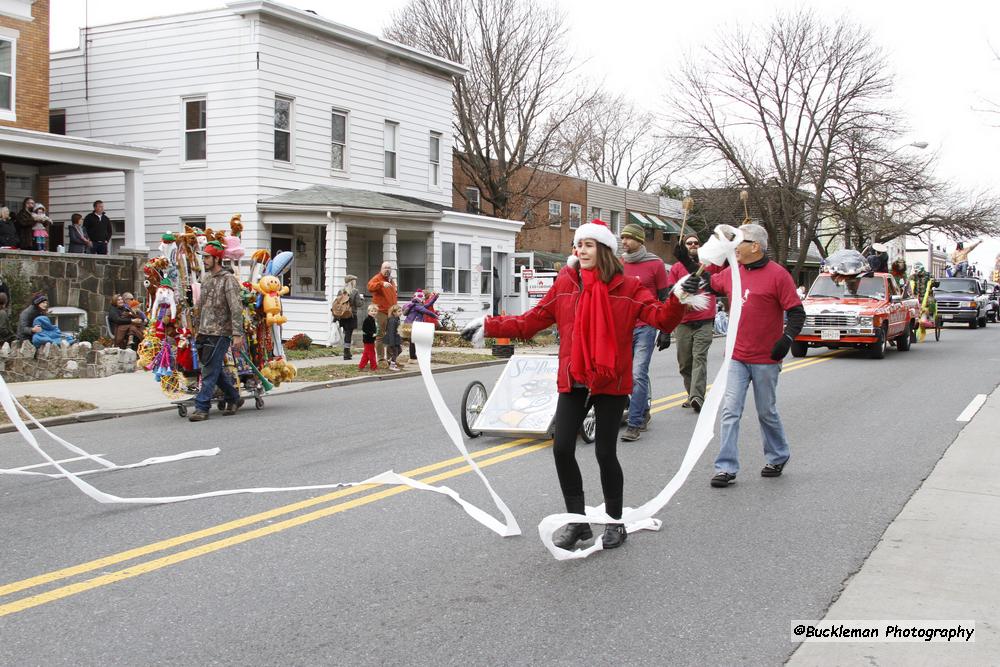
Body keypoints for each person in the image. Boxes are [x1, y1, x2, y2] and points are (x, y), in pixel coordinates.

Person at [461, 220, 688, 551]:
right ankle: (578, 523)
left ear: (604, 250)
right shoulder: (566, 285)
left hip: (611, 381)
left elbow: (663, 319)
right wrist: (488, 325)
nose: (579, 250)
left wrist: (680, 296)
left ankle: (614, 523)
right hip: (574, 377)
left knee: (605, 452)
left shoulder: (628, 287)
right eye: (577, 245)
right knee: (562, 447)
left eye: (588, 244)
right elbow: (530, 321)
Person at [682, 223, 805, 488]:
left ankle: (777, 456)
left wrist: (787, 339)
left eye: (739, 242)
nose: (734, 248)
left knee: (766, 412)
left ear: (756, 246)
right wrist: (690, 268)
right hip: (736, 356)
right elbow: (709, 283)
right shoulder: (733, 273)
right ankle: (726, 467)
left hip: (766, 358)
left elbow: (796, 312)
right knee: (730, 411)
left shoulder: (778, 275)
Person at [618, 222, 670, 441]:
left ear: (639, 240)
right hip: (621, 327)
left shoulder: (655, 264)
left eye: (628, 238)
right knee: (622, 375)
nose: (624, 242)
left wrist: (666, 329)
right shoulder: (619, 264)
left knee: (638, 373)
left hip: (645, 327)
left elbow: (664, 298)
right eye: (622, 238)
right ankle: (642, 408)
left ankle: (635, 423)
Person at [189, 240, 244, 422]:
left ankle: (201, 407)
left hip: (221, 332)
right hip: (204, 331)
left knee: (209, 371)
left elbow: (236, 308)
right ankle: (234, 397)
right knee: (213, 370)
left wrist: (237, 333)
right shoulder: (206, 280)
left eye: (207, 257)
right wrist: (195, 327)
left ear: (216, 259)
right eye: (203, 257)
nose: (204, 260)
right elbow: (201, 306)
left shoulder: (228, 280)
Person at [666, 233, 719, 415]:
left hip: (704, 320)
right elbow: (671, 292)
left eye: (696, 242)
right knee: (685, 363)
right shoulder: (676, 268)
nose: (693, 245)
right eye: (689, 243)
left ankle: (697, 397)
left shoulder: (709, 265)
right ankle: (692, 395)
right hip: (683, 322)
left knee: (699, 358)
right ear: (684, 246)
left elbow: (713, 282)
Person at [367, 261, 397, 363]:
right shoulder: (378, 278)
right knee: (380, 335)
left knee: (391, 335)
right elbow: (370, 286)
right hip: (381, 311)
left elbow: (393, 297)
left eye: (389, 268)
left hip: (391, 312)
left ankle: (390, 358)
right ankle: (380, 358)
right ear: (381, 269)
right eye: (385, 268)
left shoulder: (391, 281)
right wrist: (381, 284)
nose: (387, 270)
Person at [333, 274, 366, 360]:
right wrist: (362, 299)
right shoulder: (354, 291)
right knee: (349, 333)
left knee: (345, 333)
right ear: (352, 282)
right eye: (354, 281)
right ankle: (346, 352)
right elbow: (358, 304)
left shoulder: (341, 291)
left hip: (342, 315)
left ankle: (346, 350)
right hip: (351, 315)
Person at [403, 289, 439, 358]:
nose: (423, 300)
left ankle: (414, 355)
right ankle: (413, 357)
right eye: (422, 298)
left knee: (414, 341)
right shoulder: (417, 306)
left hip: (412, 325)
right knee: (413, 341)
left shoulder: (417, 305)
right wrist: (435, 316)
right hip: (412, 325)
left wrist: (435, 297)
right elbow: (426, 311)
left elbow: (428, 304)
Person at [357, 304, 379, 371]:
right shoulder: (367, 320)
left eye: (375, 311)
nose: (373, 312)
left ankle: (361, 366)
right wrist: (372, 334)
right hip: (368, 339)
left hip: (371, 339)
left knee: (366, 354)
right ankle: (374, 367)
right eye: (372, 311)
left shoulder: (373, 319)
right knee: (371, 354)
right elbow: (365, 329)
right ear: (368, 312)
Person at [385, 304, 403, 371]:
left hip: (396, 338)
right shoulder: (392, 321)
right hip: (392, 339)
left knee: (400, 350)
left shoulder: (397, 319)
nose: (401, 313)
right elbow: (391, 332)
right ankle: (392, 366)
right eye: (399, 311)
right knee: (395, 352)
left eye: (401, 311)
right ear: (394, 312)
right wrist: (392, 342)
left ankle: (390, 360)